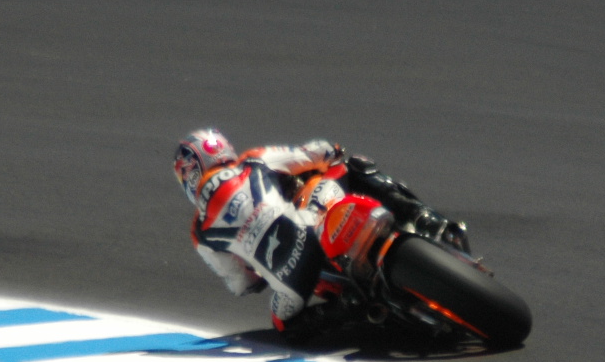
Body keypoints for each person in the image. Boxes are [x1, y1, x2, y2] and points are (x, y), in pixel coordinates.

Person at [172, 128, 470, 334]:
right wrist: (330, 151)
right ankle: (423, 218)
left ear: (190, 174)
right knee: (349, 166)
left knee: (285, 325)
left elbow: (241, 284)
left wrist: (258, 266)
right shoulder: (252, 160)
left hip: (294, 280)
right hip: (314, 224)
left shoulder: (200, 233)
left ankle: (350, 308)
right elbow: (312, 154)